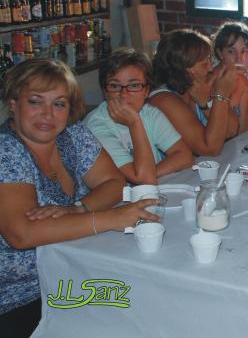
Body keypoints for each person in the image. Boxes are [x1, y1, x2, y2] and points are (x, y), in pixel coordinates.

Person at [0, 59, 160, 336]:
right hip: (24, 296)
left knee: (151, 303)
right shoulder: (6, 151)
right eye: (35, 102)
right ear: (13, 104)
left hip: (78, 272)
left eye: (59, 104)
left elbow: (114, 182)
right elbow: (21, 234)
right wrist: (108, 219)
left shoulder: (72, 134)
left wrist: (78, 209)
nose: (48, 114)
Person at [85, 48, 193, 185]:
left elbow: (185, 156)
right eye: (115, 86)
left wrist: (150, 173)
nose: (124, 94)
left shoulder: (149, 113)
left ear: (147, 91)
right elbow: (144, 179)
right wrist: (134, 123)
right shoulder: (95, 127)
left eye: (134, 85)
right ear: (105, 92)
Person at [149, 29, 237, 156]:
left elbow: (232, 130)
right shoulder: (163, 100)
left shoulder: (197, 86)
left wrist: (206, 104)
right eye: (205, 63)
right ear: (186, 68)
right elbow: (210, 149)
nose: (211, 68)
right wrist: (221, 96)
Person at [213, 22, 248, 135]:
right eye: (231, 51)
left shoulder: (243, 81)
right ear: (220, 53)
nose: (238, 59)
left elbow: (243, 130)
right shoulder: (211, 82)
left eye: (243, 51)